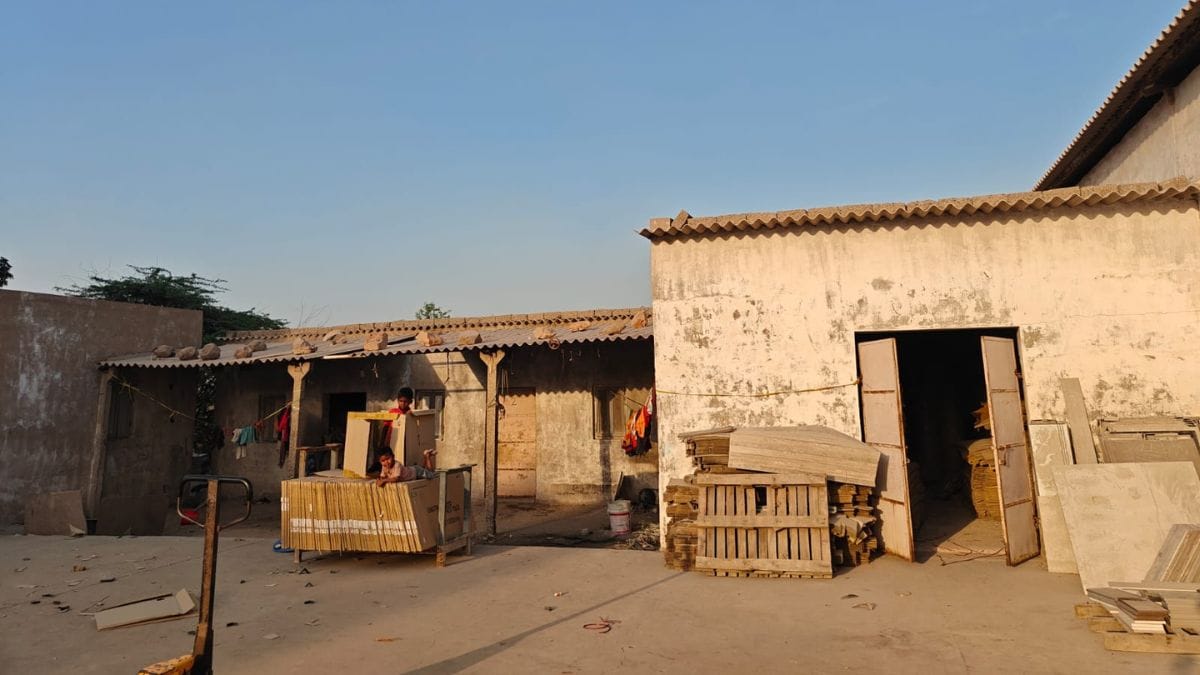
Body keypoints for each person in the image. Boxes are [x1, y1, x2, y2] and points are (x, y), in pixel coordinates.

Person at [373, 448, 438, 487]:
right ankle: (425, 456)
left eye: (388, 459)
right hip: (412, 470)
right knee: (424, 469)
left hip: (416, 472)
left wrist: (384, 480)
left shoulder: (397, 465)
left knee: (431, 475)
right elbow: (382, 476)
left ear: (393, 456)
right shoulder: (384, 467)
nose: (386, 462)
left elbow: (396, 479)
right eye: (383, 461)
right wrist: (380, 479)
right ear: (380, 461)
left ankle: (427, 456)